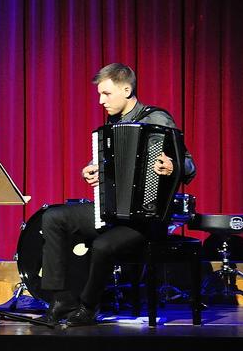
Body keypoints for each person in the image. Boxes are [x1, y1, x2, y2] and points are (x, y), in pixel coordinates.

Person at [41, 63, 196, 327]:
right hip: (112, 212)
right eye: (99, 95)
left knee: (103, 245)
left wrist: (174, 167)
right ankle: (62, 299)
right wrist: (92, 170)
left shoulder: (157, 119)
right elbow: (106, 166)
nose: (101, 101)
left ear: (127, 89)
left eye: (106, 94)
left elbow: (189, 166)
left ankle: (88, 308)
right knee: (53, 217)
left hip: (147, 220)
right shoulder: (113, 124)